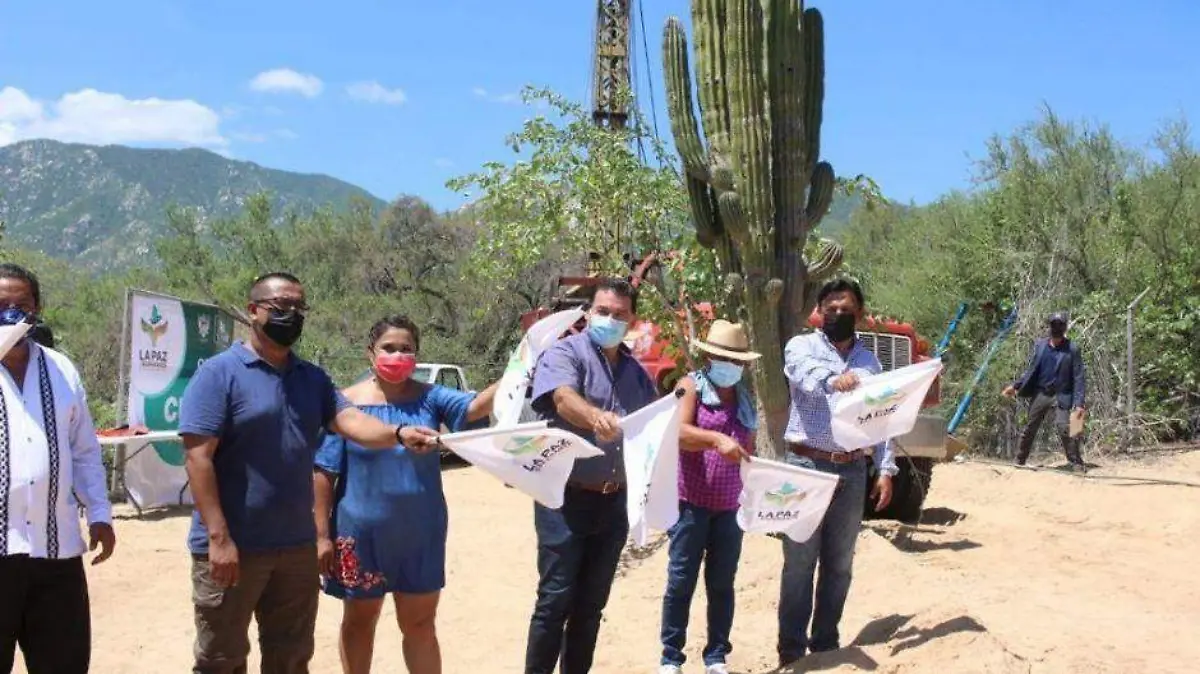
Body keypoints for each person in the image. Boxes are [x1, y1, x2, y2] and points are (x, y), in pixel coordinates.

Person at [180, 272, 440, 674]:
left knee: (290, 658)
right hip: (235, 548)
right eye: (281, 306)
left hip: (295, 551)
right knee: (221, 659)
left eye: (299, 307)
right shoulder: (218, 374)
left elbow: (352, 421)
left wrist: (399, 433)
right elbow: (198, 458)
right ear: (253, 311)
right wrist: (218, 538)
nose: (291, 315)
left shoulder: (312, 379)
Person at [314, 315, 499, 674]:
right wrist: (321, 535)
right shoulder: (344, 405)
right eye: (389, 348)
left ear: (416, 355)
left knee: (420, 626)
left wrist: (526, 364)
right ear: (370, 353)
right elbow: (323, 473)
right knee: (358, 623)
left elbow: (476, 407)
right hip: (359, 535)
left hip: (420, 533)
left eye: (406, 349)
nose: (397, 355)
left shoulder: (431, 398)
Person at [524, 277, 659, 674]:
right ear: (588, 312)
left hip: (613, 502)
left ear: (632, 319)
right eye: (603, 311)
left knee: (591, 606)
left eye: (619, 314)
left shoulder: (636, 373)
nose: (610, 319)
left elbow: (654, 424)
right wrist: (594, 416)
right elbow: (564, 399)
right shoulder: (565, 353)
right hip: (564, 500)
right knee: (555, 600)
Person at [0, 263, 115, 674]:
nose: (11, 313)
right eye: (1, 305)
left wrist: (100, 513)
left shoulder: (62, 369)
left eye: (22, 304)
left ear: (38, 309)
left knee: (63, 663)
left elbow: (84, 451)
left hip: (56, 552)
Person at [776, 278, 897, 667]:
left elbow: (882, 417)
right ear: (819, 311)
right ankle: (792, 649)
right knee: (799, 560)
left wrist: (886, 467)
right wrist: (833, 381)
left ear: (859, 313)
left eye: (846, 309)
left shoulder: (870, 362)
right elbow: (803, 376)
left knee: (840, 563)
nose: (838, 315)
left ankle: (826, 644)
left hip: (852, 470)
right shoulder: (801, 346)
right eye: (831, 308)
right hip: (807, 465)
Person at [657, 320, 758, 674]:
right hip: (692, 504)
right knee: (681, 579)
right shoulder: (690, 387)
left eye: (736, 359)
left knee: (721, 583)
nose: (730, 364)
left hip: (731, 506)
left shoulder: (745, 398)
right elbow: (680, 433)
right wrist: (715, 439)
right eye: (723, 357)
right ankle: (671, 656)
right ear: (709, 356)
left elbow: (750, 447)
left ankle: (716, 655)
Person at [1002, 312, 1086, 471]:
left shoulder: (1072, 349)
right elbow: (1031, 370)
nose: (1056, 327)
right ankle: (1019, 461)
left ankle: (1076, 462)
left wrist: (1079, 403)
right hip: (1042, 393)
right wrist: (1016, 386)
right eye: (1054, 324)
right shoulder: (1040, 345)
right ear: (1050, 326)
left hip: (1063, 394)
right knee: (1030, 426)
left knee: (1067, 427)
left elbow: (1079, 377)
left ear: (1065, 327)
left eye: (1060, 324)